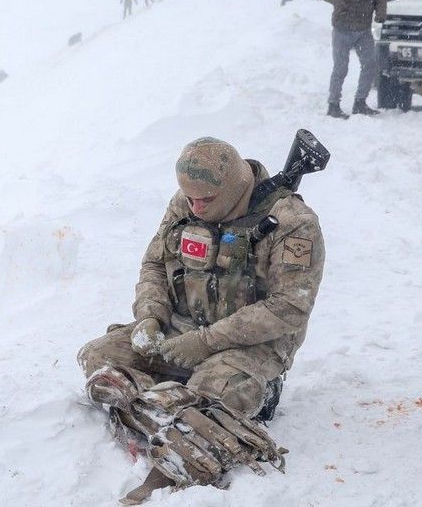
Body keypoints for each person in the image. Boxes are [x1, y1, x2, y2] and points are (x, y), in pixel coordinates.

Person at [78, 137, 325, 504]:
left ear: (234, 188)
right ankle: (172, 405)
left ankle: (185, 430)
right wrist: (149, 316)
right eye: (189, 197)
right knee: (97, 357)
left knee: (213, 398)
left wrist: (206, 342)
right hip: (180, 328)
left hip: (249, 345)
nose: (195, 206)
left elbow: (290, 307)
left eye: (205, 200)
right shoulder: (185, 203)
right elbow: (154, 265)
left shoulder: (292, 224)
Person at [316, 0, 386, 118]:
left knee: (370, 65)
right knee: (341, 68)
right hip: (342, 27)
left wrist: (381, 11)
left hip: (363, 28)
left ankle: (360, 103)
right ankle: (333, 105)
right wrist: (338, 2)